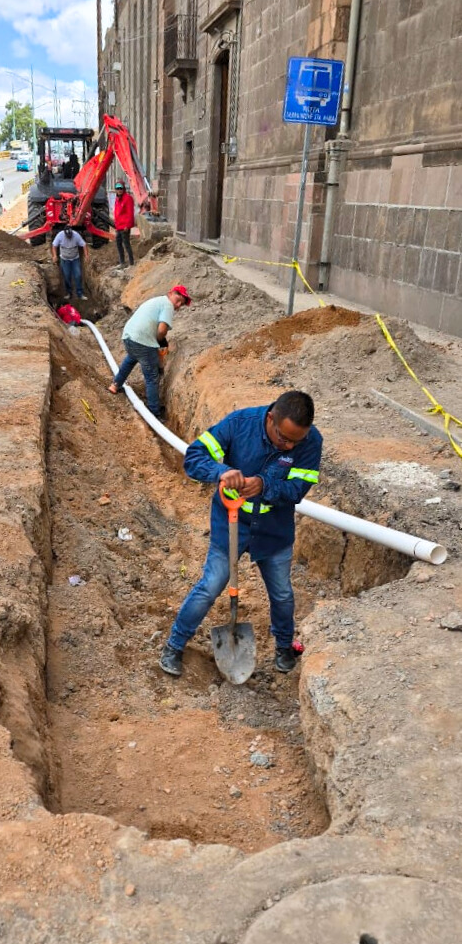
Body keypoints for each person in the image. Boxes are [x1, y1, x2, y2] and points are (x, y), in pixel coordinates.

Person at [159, 391, 323, 678]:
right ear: (271, 418)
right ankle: (174, 645)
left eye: (296, 441)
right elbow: (194, 457)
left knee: (282, 594)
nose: (290, 446)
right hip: (230, 524)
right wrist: (221, 471)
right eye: (284, 438)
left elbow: (297, 490)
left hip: (274, 530)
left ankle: (284, 646)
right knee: (210, 586)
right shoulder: (239, 423)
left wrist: (263, 484)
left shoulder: (310, 442)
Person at [108, 285, 191, 417]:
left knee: (131, 358)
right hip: (142, 341)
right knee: (152, 377)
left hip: (129, 337)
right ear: (171, 293)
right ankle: (154, 412)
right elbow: (162, 330)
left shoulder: (157, 300)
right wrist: (159, 340)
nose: (178, 305)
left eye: (182, 304)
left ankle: (115, 385)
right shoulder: (168, 305)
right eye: (178, 299)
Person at [52, 225, 88, 300]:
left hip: (75, 259)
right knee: (67, 276)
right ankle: (69, 293)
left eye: (70, 235)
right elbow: (54, 245)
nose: (69, 237)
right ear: (64, 233)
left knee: (78, 275)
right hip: (64, 260)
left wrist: (86, 255)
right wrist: (55, 256)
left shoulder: (76, 235)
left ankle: (80, 294)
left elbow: (84, 244)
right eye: (67, 236)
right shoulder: (60, 235)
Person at [114, 181, 135, 268]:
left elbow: (130, 213)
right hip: (119, 226)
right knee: (118, 244)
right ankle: (122, 262)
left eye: (120, 188)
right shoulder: (117, 199)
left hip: (125, 227)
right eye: (117, 188)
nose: (119, 190)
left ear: (123, 189)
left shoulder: (128, 198)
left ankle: (131, 263)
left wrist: (128, 225)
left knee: (126, 244)